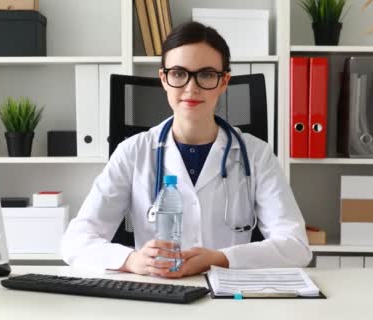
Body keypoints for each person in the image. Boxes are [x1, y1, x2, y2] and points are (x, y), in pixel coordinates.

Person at [61, 21, 311, 278]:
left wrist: (221, 258)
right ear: (163, 79)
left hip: (229, 299)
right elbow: (75, 242)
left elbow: (296, 247)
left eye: (205, 74)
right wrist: (131, 260)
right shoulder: (133, 152)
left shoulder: (256, 155)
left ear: (224, 81)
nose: (191, 87)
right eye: (179, 73)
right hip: (156, 295)